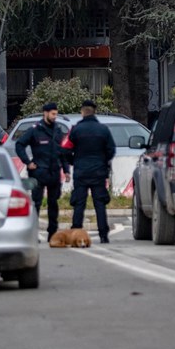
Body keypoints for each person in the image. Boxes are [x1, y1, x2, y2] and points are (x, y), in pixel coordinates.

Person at [14, 102, 71, 240]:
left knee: (53, 203)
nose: (54, 117)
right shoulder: (35, 130)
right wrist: (28, 162)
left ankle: (52, 233)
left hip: (54, 172)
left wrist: (66, 170)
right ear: (45, 113)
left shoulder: (57, 130)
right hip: (39, 172)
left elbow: (62, 152)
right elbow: (19, 145)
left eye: (56, 114)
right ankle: (33, 234)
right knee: (36, 204)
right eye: (52, 114)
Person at [66, 99, 117, 244]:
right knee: (100, 204)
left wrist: (73, 161)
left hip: (81, 172)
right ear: (94, 111)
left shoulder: (76, 130)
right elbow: (111, 150)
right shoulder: (103, 129)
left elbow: (65, 149)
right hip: (98, 172)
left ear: (82, 112)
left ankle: (75, 232)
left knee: (79, 204)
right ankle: (103, 235)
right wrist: (102, 162)